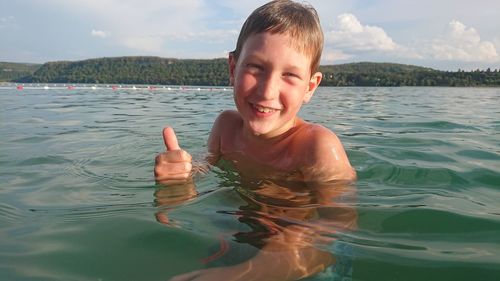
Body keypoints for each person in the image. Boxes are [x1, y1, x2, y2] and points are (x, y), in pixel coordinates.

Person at [154, 0, 357, 280]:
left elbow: (338, 223)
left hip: (304, 254)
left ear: (310, 86)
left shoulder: (317, 146)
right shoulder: (226, 127)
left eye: (290, 75)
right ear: (232, 68)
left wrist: (245, 275)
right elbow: (205, 167)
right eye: (256, 68)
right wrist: (182, 175)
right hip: (241, 232)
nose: (267, 90)